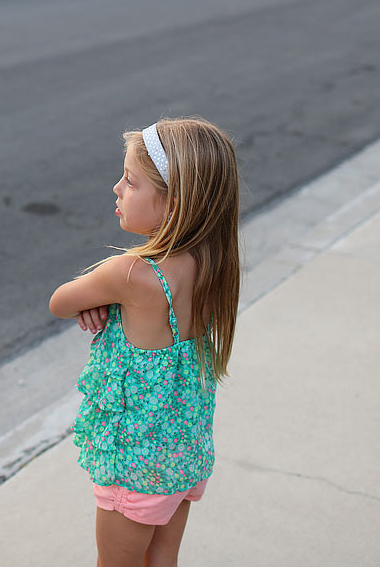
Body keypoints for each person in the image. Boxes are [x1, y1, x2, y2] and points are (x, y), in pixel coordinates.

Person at [49, 117, 241, 567]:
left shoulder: (131, 274)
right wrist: (109, 302)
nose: (117, 188)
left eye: (130, 182)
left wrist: (96, 300)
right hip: (181, 453)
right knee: (162, 558)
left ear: (174, 205)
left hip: (135, 464)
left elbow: (59, 302)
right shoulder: (212, 261)